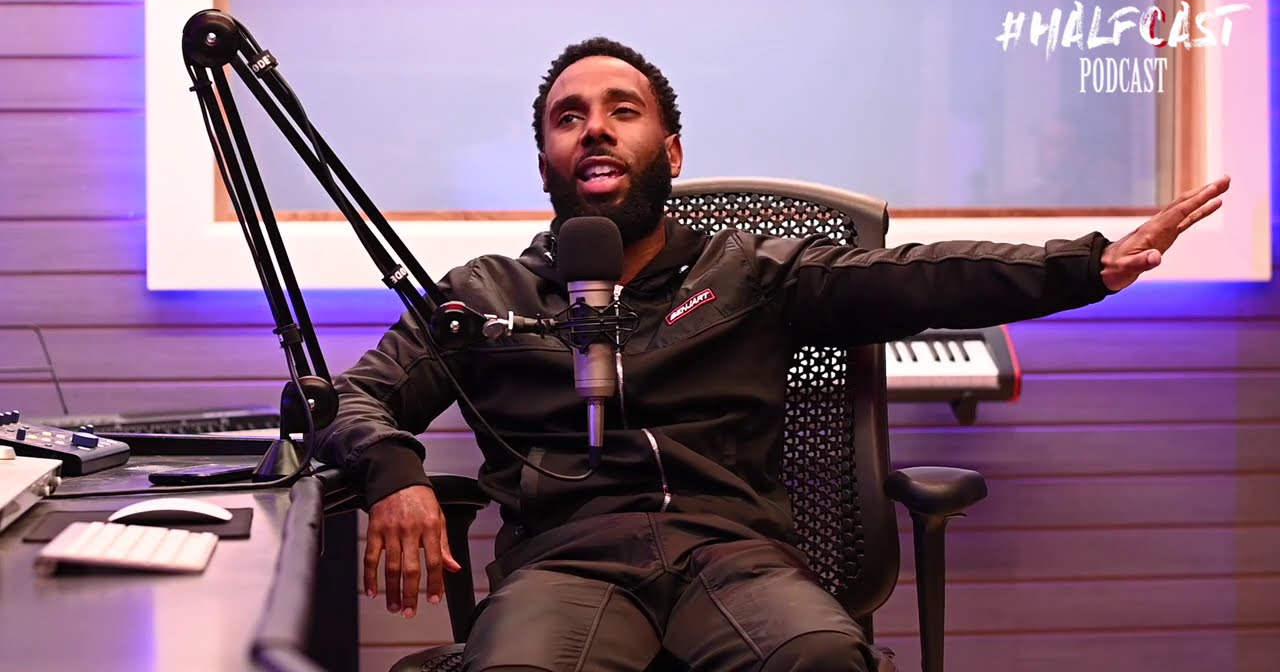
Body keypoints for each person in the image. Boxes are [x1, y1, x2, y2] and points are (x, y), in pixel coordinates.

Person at [317, 37, 1229, 671]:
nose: (594, 128)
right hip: (566, 565)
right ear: (545, 163)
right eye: (569, 117)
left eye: (622, 111)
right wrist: (394, 470)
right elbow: (351, 399)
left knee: (822, 658)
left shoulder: (750, 275)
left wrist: (1089, 266)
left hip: (733, 557)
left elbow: (925, 278)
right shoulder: (486, 295)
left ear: (670, 151)